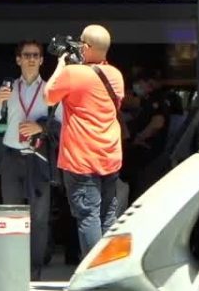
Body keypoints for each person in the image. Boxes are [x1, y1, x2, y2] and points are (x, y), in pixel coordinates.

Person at [42, 25, 125, 261]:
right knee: (108, 216)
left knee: (88, 216)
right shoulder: (116, 76)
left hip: (81, 159)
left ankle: (93, 274)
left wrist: (62, 64)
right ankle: (109, 270)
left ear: (86, 47)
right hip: (109, 156)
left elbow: (48, 95)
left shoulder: (73, 74)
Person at [0, 40, 60, 280]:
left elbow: (64, 123)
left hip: (38, 156)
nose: (30, 59)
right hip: (12, 154)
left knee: (39, 215)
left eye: (35, 55)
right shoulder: (8, 89)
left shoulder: (50, 89)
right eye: (26, 55)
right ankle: (13, 266)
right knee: (12, 212)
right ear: (18, 60)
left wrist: (40, 126)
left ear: (41, 60)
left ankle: (34, 267)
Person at [123, 69, 172, 203]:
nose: (137, 86)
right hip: (143, 151)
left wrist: (140, 137)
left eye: (139, 83)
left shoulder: (157, 101)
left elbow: (157, 123)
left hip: (149, 153)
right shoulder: (147, 101)